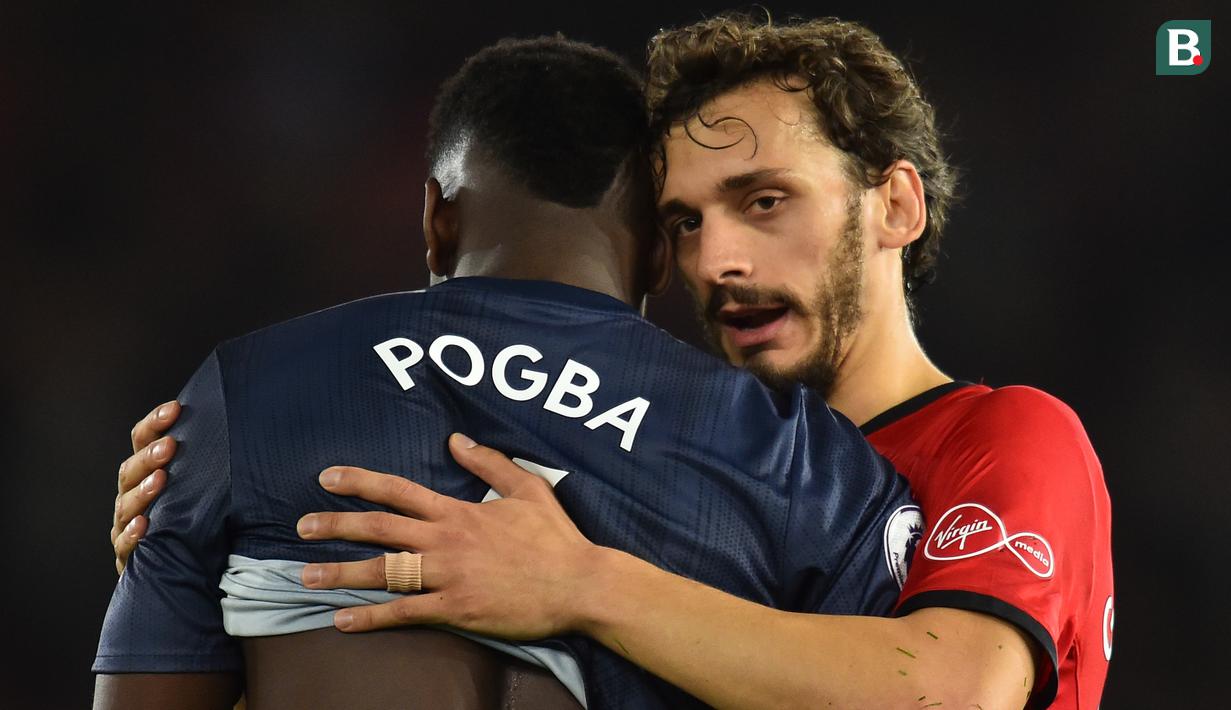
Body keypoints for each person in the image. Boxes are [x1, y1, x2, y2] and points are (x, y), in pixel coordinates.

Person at [115, 14, 1114, 709]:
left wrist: (586, 583)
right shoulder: (706, 459)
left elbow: (951, 686)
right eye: (683, 219)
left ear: (894, 204)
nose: (716, 259)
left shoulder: (1007, 433)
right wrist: (223, 559)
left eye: (765, 201)